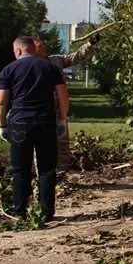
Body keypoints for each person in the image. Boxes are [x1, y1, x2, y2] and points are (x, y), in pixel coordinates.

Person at [0, 36, 69, 222]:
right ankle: (46, 212)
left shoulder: (9, 70)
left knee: (20, 169)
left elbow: (1, 102)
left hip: (20, 123)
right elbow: (63, 96)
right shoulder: (50, 67)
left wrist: (2, 126)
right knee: (46, 169)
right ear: (32, 49)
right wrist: (62, 119)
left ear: (18, 51)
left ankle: (21, 212)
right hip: (45, 121)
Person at [33, 34, 101, 171]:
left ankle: (61, 172)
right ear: (32, 49)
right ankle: (41, 173)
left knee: (62, 144)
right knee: (39, 145)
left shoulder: (55, 61)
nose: (44, 47)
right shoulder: (28, 66)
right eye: (40, 46)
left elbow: (75, 57)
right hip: (38, 111)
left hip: (57, 111)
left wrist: (90, 44)